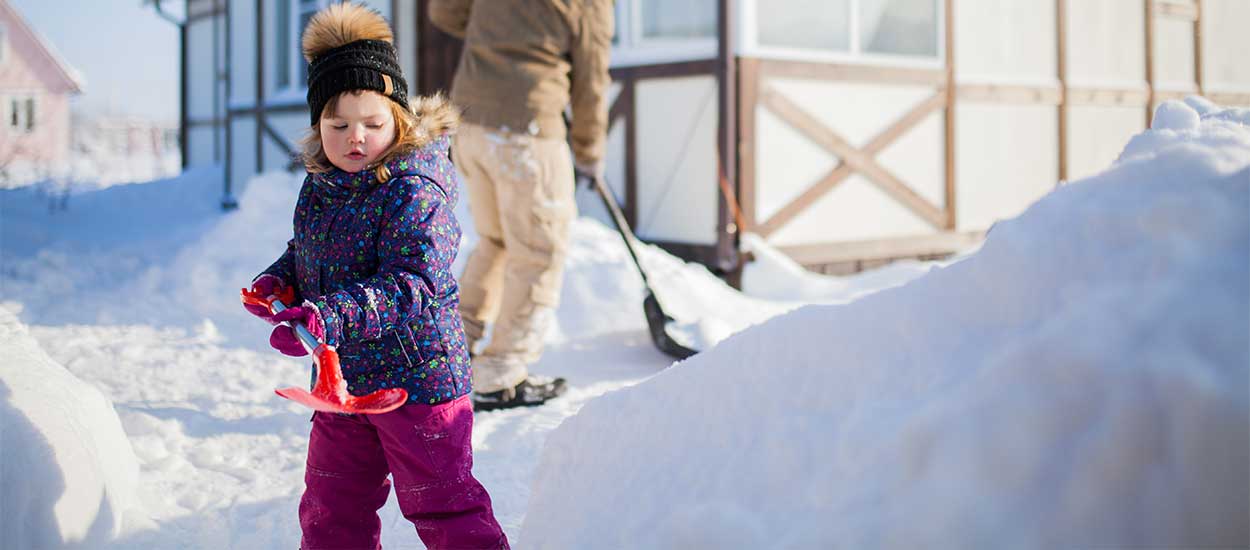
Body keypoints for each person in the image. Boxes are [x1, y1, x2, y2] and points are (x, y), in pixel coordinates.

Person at [241, 4, 507, 548]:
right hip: (343, 386)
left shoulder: (415, 189)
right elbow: (308, 250)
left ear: (400, 121)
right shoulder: (323, 184)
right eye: (337, 125)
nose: (354, 137)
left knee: (444, 506)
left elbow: (416, 280)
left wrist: (329, 315)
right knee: (331, 508)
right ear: (318, 126)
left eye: (372, 123)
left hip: (418, 384)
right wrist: (280, 282)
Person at [428, 0, 614, 411]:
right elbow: (592, 78)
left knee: (496, 240)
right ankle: (499, 376)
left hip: (471, 123)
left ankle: (446, 353)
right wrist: (588, 149)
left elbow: (444, 13)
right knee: (538, 252)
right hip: (526, 129)